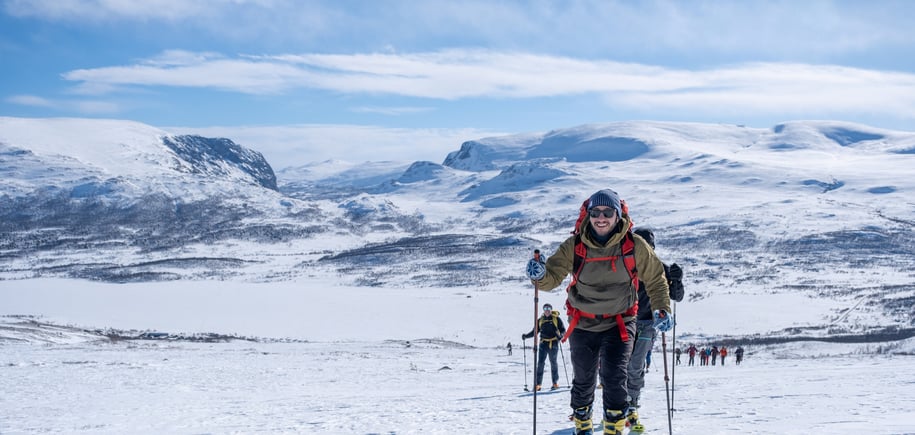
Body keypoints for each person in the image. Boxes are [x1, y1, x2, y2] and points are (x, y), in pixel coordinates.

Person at [526, 189, 672, 435]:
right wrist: (539, 276)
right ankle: (583, 425)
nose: (601, 217)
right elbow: (551, 278)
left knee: (615, 376)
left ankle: (613, 428)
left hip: (620, 322)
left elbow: (656, 279)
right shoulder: (575, 245)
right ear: (588, 215)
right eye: (595, 212)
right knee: (583, 379)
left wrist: (662, 309)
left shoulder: (634, 245)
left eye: (607, 212)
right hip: (582, 322)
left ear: (618, 215)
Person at [624, 227, 685, 431]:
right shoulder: (625, 266)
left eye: (648, 246)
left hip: (647, 324)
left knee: (635, 365)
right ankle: (616, 404)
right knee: (617, 365)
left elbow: (676, 296)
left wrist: (676, 280)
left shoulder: (661, 268)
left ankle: (631, 404)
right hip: (622, 321)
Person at [522, 303, 566, 391]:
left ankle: (555, 383)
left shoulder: (556, 319)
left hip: (553, 343)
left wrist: (560, 336)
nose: (547, 310)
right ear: (543, 310)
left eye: (549, 308)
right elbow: (534, 332)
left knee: (553, 363)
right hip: (543, 343)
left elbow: (563, 330)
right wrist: (526, 336)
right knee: (540, 364)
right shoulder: (540, 320)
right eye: (545, 308)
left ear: (551, 309)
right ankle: (538, 384)